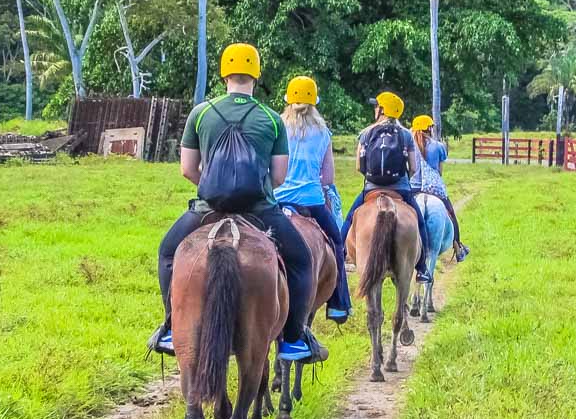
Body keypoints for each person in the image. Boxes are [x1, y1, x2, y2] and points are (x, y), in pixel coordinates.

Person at [150, 43, 321, 363]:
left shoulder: (200, 113)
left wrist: (212, 189)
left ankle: (172, 327)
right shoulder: (272, 119)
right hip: (260, 210)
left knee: (168, 253)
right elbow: (279, 176)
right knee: (301, 262)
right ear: (256, 75)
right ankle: (294, 339)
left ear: (224, 73)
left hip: (208, 209)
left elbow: (187, 168)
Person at [275, 76, 351, 323]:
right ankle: (339, 303)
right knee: (337, 243)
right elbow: (328, 177)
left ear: (288, 101)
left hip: (276, 201)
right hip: (311, 203)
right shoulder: (323, 133)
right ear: (314, 103)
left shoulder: (276, 126)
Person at [340, 91, 429, 277]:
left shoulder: (366, 133)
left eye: (376, 106)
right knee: (420, 223)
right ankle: (422, 268)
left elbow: (358, 166)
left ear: (382, 110)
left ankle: (340, 254)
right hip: (401, 189)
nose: (374, 108)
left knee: (349, 219)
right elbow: (413, 167)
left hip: (372, 188)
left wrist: (372, 178)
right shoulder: (406, 135)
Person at [411, 114, 470, 263]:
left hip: (413, 188)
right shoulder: (438, 146)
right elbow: (440, 172)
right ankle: (458, 248)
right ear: (429, 128)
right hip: (434, 189)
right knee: (451, 214)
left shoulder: (409, 145)